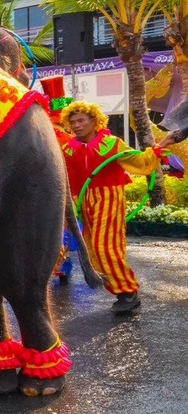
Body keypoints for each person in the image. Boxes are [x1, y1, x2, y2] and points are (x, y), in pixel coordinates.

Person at [59, 101, 167, 313]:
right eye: (72, 122)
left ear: (94, 120)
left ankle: (128, 291)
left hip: (109, 197)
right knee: (92, 249)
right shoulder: (67, 149)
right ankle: (121, 291)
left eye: (81, 120)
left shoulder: (112, 143)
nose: (77, 125)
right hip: (82, 200)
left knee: (105, 246)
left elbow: (140, 161)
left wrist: (157, 150)